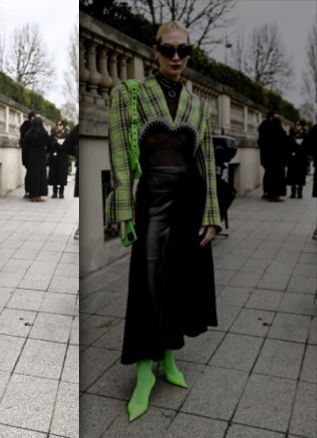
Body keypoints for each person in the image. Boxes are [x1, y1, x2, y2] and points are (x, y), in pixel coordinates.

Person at [105, 21, 221, 423]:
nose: (176, 58)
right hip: (152, 197)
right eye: (168, 50)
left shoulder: (199, 104)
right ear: (154, 51)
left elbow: (206, 161)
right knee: (148, 281)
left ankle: (169, 359)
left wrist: (212, 216)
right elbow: (120, 155)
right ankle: (143, 373)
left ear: (189, 54)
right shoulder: (128, 94)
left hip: (190, 198)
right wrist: (122, 210)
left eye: (183, 51)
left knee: (181, 280)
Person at [258, 111, 288, 201]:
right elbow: (285, 142)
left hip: (268, 158)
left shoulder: (267, 129)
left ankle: (268, 193)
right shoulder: (277, 130)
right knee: (276, 177)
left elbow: (261, 143)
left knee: (269, 175)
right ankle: (274, 195)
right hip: (277, 159)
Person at [23, 116, 51, 202]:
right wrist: (46, 150)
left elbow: (25, 147)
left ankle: (33, 195)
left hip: (31, 156)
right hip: (41, 155)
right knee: (41, 175)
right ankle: (38, 195)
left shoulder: (28, 134)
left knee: (32, 175)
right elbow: (50, 144)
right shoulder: (44, 133)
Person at [286, 120, 308, 198]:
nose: (297, 126)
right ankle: (293, 193)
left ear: (302, 126)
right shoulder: (292, 135)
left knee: (301, 176)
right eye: (296, 124)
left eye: (298, 125)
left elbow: (307, 148)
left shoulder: (305, 136)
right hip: (293, 159)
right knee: (293, 175)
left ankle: (300, 193)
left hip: (302, 159)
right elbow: (288, 146)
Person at [49, 120, 71, 198]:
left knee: (62, 175)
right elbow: (49, 145)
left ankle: (61, 193)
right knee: (54, 174)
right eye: (57, 124)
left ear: (63, 126)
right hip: (54, 157)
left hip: (63, 158)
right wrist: (53, 142)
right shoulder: (53, 135)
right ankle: (54, 193)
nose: (58, 126)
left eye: (60, 124)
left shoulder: (67, 135)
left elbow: (67, 146)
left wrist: (57, 143)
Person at [20, 110, 38, 198]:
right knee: (29, 173)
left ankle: (32, 190)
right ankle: (27, 190)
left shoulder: (37, 126)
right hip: (28, 154)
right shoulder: (26, 126)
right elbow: (23, 140)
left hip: (34, 154)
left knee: (32, 173)